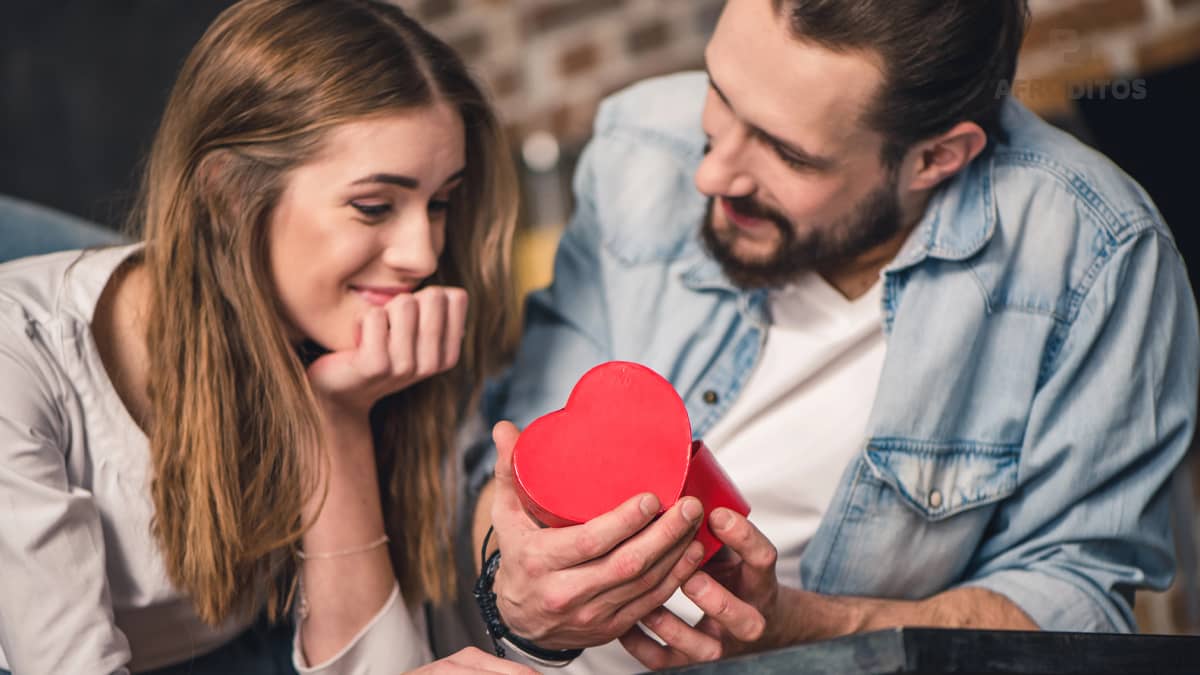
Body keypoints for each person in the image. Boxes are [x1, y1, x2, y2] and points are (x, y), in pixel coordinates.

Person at [465, 0, 1200, 672]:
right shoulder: (638, 144)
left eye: (788, 155)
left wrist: (792, 625)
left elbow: (1077, 607)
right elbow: (514, 467)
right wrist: (515, 589)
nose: (711, 173)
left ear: (935, 159)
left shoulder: (1097, 254)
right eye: (718, 93)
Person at [0, 1, 536, 673]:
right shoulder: (16, 359)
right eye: (374, 206)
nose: (424, 255)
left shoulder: (378, 345)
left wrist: (338, 419)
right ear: (227, 191)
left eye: (439, 203)